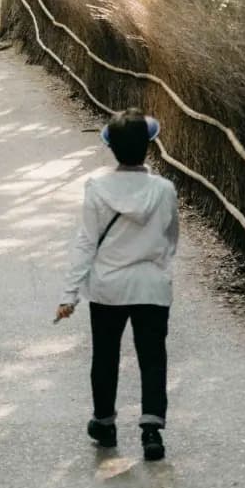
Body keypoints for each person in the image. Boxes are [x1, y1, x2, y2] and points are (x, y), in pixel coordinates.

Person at [55, 109, 179, 461]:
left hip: (108, 287)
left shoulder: (97, 188)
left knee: (105, 355)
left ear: (112, 149)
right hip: (151, 285)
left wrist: (70, 294)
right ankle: (151, 430)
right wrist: (157, 264)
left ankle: (105, 422)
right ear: (148, 146)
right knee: (152, 357)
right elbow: (171, 237)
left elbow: (86, 243)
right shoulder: (164, 190)